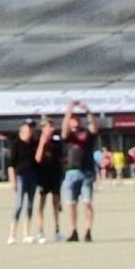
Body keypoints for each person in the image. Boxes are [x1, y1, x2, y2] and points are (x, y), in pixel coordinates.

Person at [61, 100, 99, 242]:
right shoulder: (69, 136)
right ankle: (73, 231)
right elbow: (64, 129)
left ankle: (88, 230)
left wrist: (88, 111)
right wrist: (69, 111)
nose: (74, 121)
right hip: (71, 172)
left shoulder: (86, 134)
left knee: (87, 202)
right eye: (72, 119)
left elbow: (94, 127)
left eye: (76, 119)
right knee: (71, 204)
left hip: (86, 172)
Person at [7, 121, 39, 245]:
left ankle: (27, 233)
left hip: (33, 176)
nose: (29, 133)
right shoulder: (16, 145)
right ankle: (12, 234)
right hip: (21, 176)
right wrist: (12, 180)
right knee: (19, 204)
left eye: (30, 131)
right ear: (22, 131)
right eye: (27, 131)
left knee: (30, 205)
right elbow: (11, 165)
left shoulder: (34, 144)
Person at [35, 117, 64, 243]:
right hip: (43, 175)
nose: (50, 129)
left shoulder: (57, 140)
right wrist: (42, 142)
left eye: (52, 126)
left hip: (55, 175)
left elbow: (62, 158)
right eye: (48, 126)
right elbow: (38, 159)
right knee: (42, 203)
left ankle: (57, 230)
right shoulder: (38, 140)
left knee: (56, 204)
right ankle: (40, 231)